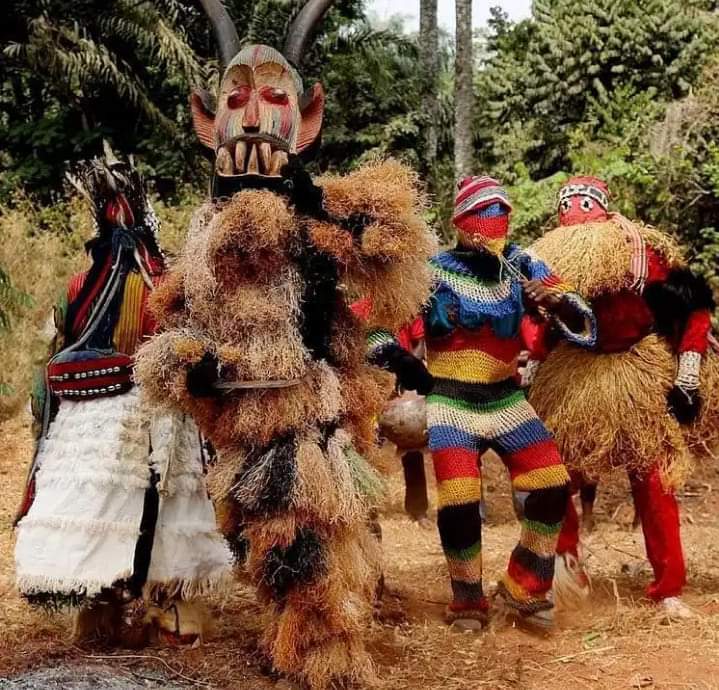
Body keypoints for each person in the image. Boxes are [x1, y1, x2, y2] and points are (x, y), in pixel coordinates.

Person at [133, 1, 437, 686]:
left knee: (306, 547)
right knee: (263, 548)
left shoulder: (317, 215)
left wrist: (313, 202)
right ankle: (292, 639)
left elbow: (389, 250)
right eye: (234, 99)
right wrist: (187, 367)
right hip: (240, 423)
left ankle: (330, 660)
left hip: (306, 413)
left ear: (306, 120)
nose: (251, 117)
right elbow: (181, 319)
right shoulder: (205, 227)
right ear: (207, 121)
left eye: (274, 99)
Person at [14, 148, 232, 644]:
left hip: (91, 421)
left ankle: (103, 612)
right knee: (160, 509)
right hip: (152, 418)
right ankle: (169, 611)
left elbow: (56, 348)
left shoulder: (81, 287)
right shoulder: (165, 281)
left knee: (103, 509)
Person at [370, 176, 597, 630]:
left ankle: (525, 588)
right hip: (451, 401)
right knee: (460, 500)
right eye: (481, 218)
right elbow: (373, 325)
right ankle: (467, 600)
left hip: (507, 397)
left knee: (551, 484)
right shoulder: (431, 272)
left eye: (500, 218)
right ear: (460, 223)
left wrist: (555, 301)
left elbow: (584, 321)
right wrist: (403, 363)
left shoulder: (523, 264)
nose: (492, 229)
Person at [524, 176, 719, 619]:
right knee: (556, 474)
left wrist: (688, 372)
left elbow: (693, 309)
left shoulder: (642, 253)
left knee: (654, 479)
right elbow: (552, 328)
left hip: (640, 373)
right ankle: (565, 569)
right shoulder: (553, 265)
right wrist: (536, 357)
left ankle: (668, 588)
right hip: (578, 376)